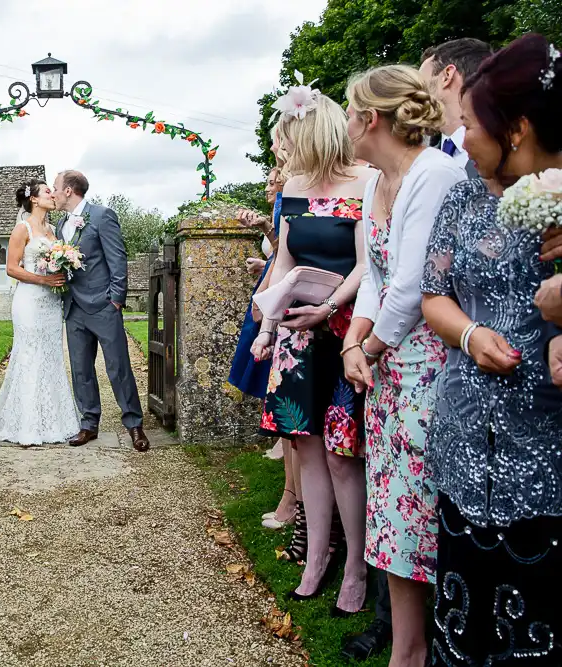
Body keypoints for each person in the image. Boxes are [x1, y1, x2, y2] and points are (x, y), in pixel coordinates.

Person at [420, 33, 562, 666]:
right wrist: (471, 336)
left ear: (516, 129)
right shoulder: (461, 197)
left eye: (471, 124)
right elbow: (433, 293)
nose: (461, 136)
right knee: (464, 616)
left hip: (544, 452)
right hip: (465, 433)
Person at [342, 64, 465, 667]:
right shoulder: (375, 183)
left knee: (424, 505)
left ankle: (437, 646)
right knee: (392, 510)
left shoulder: (435, 174)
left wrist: (365, 349)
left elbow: (414, 285)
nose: (344, 123)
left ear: (371, 118)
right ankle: (407, 651)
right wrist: (353, 344)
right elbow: (378, 278)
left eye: (348, 112)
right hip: (388, 369)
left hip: (433, 368)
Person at [250, 79, 376, 615]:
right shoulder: (294, 185)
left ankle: (356, 568)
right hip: (296, 337)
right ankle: (316, 558)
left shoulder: (368, 180)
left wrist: (328, 310)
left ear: (312, 131)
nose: (283, 148)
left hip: (347, 331)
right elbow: (284, 258)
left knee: (342, 456)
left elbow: (370, 265)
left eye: (287, 136)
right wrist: (268, 315)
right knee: (305, 446)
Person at [52, 170, 150, 452]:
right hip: (74, 307)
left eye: (56, 188)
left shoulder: (102, 215)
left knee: (118, 367)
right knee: (81, 369)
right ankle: (88, 424)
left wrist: (116, 300)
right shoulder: (61, 225)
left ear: (69, 191)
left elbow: (117, 258)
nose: (54, 193)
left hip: (103, 306)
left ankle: (134, 425)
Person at [0, 180, 80, 444]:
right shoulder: (21, 229)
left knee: (50, 355)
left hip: (50, 303)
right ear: (34, 199)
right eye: (47, 191)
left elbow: (56, 265)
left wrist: (62, 268)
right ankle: (25, 422)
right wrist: (43, 280)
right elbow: (12, 268)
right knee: (29, 354)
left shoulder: (54, 231)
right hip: (29, 300)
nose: (52, 194)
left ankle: (53, 418)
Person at [232, 168, 297, 530]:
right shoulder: (282, 203)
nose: (269, 187)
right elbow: (280, 252)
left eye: (274, 182)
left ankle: (293, 495)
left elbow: (284, 251)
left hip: (281, 292)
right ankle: (278, 445)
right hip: (272, 285)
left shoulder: (295, 198)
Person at [419, 38, 494, 178]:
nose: (414, 94)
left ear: (447, 76)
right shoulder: (424, 158)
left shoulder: (499, 151)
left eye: (420, 83)